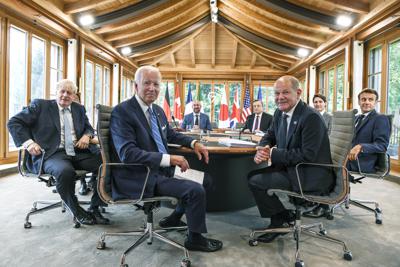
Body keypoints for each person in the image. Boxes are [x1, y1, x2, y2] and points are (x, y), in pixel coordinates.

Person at [109, 66, 223, 252]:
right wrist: (168, 159)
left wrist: (194, 143)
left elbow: (172, 135)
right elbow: (128, 153)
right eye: (147, 83)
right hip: (140, 175)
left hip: (160, 171)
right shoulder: (122, 112)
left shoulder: (158, 111)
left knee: (206, 181)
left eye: (156, 84)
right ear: (135, 86)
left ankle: (174, 218)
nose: (152, 88)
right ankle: (195, 239)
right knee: (195, 191)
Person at [7, 79, 109, 225]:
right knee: (65, 171)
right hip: (52, 154)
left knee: (105, 162)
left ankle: (95, 207)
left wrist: (87, 135)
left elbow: (88, 128)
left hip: (77, 151)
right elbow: (14, 122)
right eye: (62, 91)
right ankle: (76, 210)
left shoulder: (78, 109)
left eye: (70, 92)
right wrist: (29, 143)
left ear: (74, 96)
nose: (65, 95)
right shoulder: (40, 106)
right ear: (56, 92)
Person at [247, 75, 335, 243]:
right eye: (277, 93)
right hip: (292, 167)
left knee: (257, 181)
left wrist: (272, 154)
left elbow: (307, 155)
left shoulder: (311, 117)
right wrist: (263, 147)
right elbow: (270, 134)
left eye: (285, 92)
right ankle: (283, 216)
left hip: (309, 173)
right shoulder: (280, 112)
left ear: (298, 93)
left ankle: (278, 221)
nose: (280, 97)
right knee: (251, 176)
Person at [347, 88, 390, 173]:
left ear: (375, 102)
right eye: (363, 99)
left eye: (370, 99)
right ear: (359, 102)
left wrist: (361, 146)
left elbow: (382, 145)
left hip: (362, 162)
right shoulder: (356, 118)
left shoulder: (380, 118)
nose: (367, 102)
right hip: (346, 158)